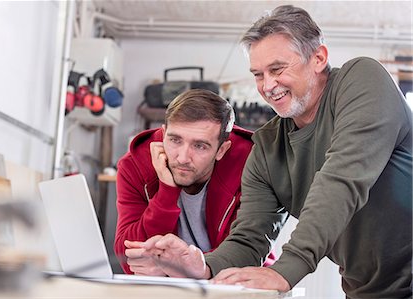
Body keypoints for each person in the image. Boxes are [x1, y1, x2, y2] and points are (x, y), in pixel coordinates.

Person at [135, 5, 413, 298]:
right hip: (368, 291)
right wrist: (202, 265)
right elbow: (249, 239)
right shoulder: (267, 147)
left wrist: (285, 270)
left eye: (277, 69)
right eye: (258, 74)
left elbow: (341, 180)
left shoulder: (362, 81)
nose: (268, 86)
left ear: (318, 58)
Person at [114, 89, 276, 275]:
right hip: (172, 288)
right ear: (164, 133)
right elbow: (128, 258)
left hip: (241, 284)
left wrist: (175, 269)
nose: (183, 158)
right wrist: (166, 192)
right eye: (175, 140)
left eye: (199, 146)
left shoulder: (251, 165)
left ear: (222, 150)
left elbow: (246, 253)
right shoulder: (135, 166)